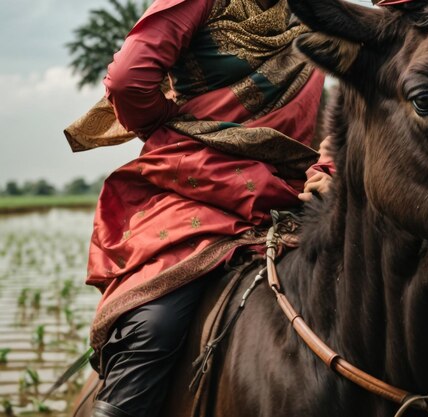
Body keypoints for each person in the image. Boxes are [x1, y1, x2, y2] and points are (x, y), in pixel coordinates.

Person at [64, 0, 333, 415]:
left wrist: (327, 167)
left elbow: (358, 96)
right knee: (154, 328)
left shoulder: (319, 14)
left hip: (292, 197)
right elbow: (127, 81)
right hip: (199, 192)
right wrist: (182, 125)